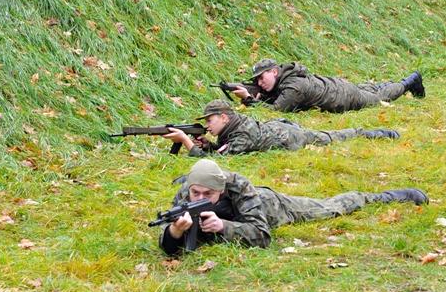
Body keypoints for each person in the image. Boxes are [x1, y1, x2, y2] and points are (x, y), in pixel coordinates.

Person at [158, 159, 427, 256]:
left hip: (275, 208)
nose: (200, 197)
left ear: (221, 189)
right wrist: (176, 232)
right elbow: (168, 246)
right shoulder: (186, 194)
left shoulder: (239, 186)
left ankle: (385, 196)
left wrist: (224, 227)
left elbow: (262, 236)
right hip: (244, 215)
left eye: (208, 194)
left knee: (330, 208)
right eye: (197, 193)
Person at [161, 100, 400, 156]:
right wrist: (208, 146)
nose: (207, 125)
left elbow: (222, 161)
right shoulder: (231, 130)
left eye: (210, 120)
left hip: (291, 137)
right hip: (278, 128)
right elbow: (224, 150)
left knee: (333, 137)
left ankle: (374, 133)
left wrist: (187, 142)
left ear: (224, 117)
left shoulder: (241, 132)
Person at [230, 58, 425, 113]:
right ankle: (398, 83)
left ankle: (408, 82)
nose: (259, 83)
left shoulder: (294, 86)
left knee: (379, 98)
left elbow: (276, 110)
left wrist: (249, 99)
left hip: (343, 98)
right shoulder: (287, 78)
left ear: (274, 71)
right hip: (337, 86)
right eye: (256, 81)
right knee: (373, 89)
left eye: (261, 77)